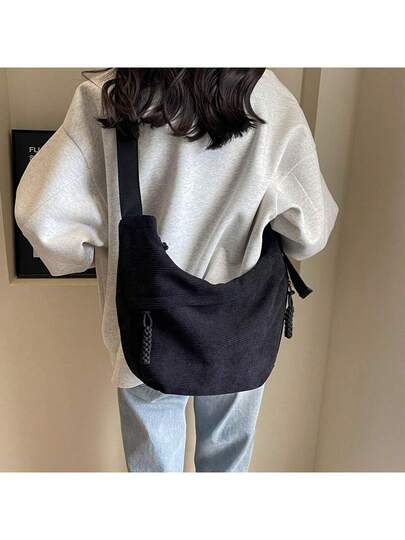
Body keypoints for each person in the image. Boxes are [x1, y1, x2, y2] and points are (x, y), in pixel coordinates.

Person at [14, 68, 338, 472]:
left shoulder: (108, 96)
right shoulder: (269, 98)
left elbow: (44, 218)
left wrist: (85, 254)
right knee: (228, 464)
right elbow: (311, 230)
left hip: (147, 327)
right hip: (242, 324)